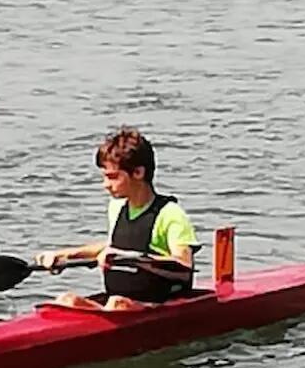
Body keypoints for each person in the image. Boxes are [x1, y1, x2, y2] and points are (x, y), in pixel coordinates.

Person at [38, 127, 198, 311]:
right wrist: (65, 255)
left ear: (138, 173)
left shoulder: (170, 214)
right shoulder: (117, 207)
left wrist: (127, 258)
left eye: (113, 177)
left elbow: (184, 269)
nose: (105, 185)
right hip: (119, 305)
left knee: (117, 303)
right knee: (67, 300)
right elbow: (113, 246)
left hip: (157, 304)